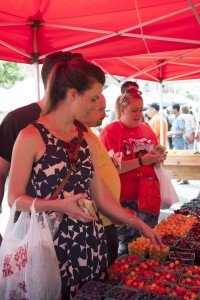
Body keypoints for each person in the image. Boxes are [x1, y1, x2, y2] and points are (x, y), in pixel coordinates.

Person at [7, 58, 162, 299]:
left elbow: (102, 196)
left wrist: (138, 224)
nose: (95, 107)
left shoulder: (87, 139)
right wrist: (58, 206)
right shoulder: (30, 136)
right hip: (50, 248)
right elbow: (14, 199)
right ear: (72, 95)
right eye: (92, 99)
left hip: (89, 242)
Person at [0, 51, 83, 243]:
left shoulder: (78, 124)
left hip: (74, 232)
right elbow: (1, 174)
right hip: (31, 230)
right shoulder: (16, 120)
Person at [100, 87, 167, 256]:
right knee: (128, 246)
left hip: (149, 195)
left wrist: (158, 158)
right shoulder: (110, 131)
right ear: (122, 109)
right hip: (124, 198)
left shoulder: (146, 128)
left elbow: (153, 154)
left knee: (148, 243)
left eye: (141, 110)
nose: (139, 114)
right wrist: (141, 161)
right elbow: (111, 168)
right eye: (134, 110)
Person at [82, 94, 120, 266]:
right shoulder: (81, 136)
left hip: (107, 218)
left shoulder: (89, 133)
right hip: (99, 222)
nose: (105, 114)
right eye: (100, 109)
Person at [167, 103, 188, 184]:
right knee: (178, 159)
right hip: (176, 140)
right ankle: (180, 176)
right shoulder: (176, 118)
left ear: (176, 109)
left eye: (172, 108)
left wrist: (172, 133)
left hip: (180, 140)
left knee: (182, 159)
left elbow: (183, 131)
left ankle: (184, 178)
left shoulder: (180, 118)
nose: (171, 110)